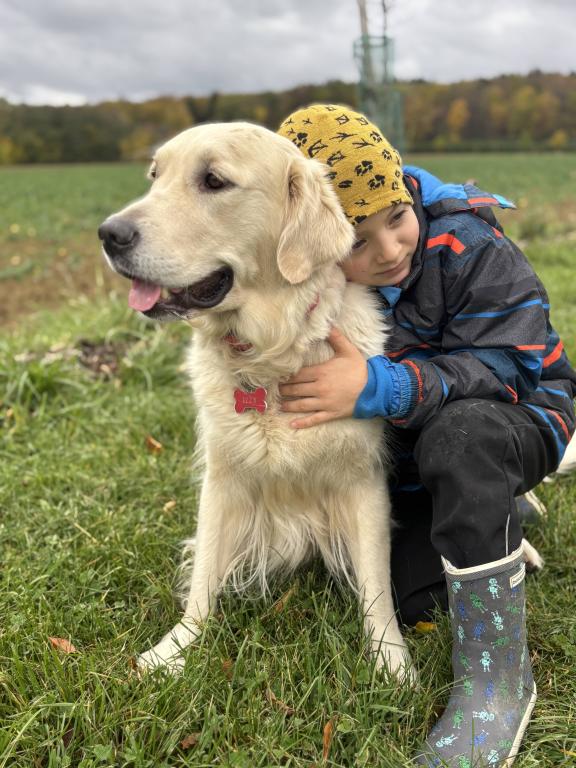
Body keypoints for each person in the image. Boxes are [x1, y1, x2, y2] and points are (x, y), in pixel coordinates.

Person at [277, 104, 576, 767]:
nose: (388, 250)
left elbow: (508, 366)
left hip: (521, 412)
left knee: (460, 437)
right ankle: (496, 511)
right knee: (416, 599)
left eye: (396, 217)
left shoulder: (471, 246)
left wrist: (382, 386)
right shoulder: (317, 282)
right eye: (357, 242)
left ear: (406, 189)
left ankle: (498, 684)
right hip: (413, 460)